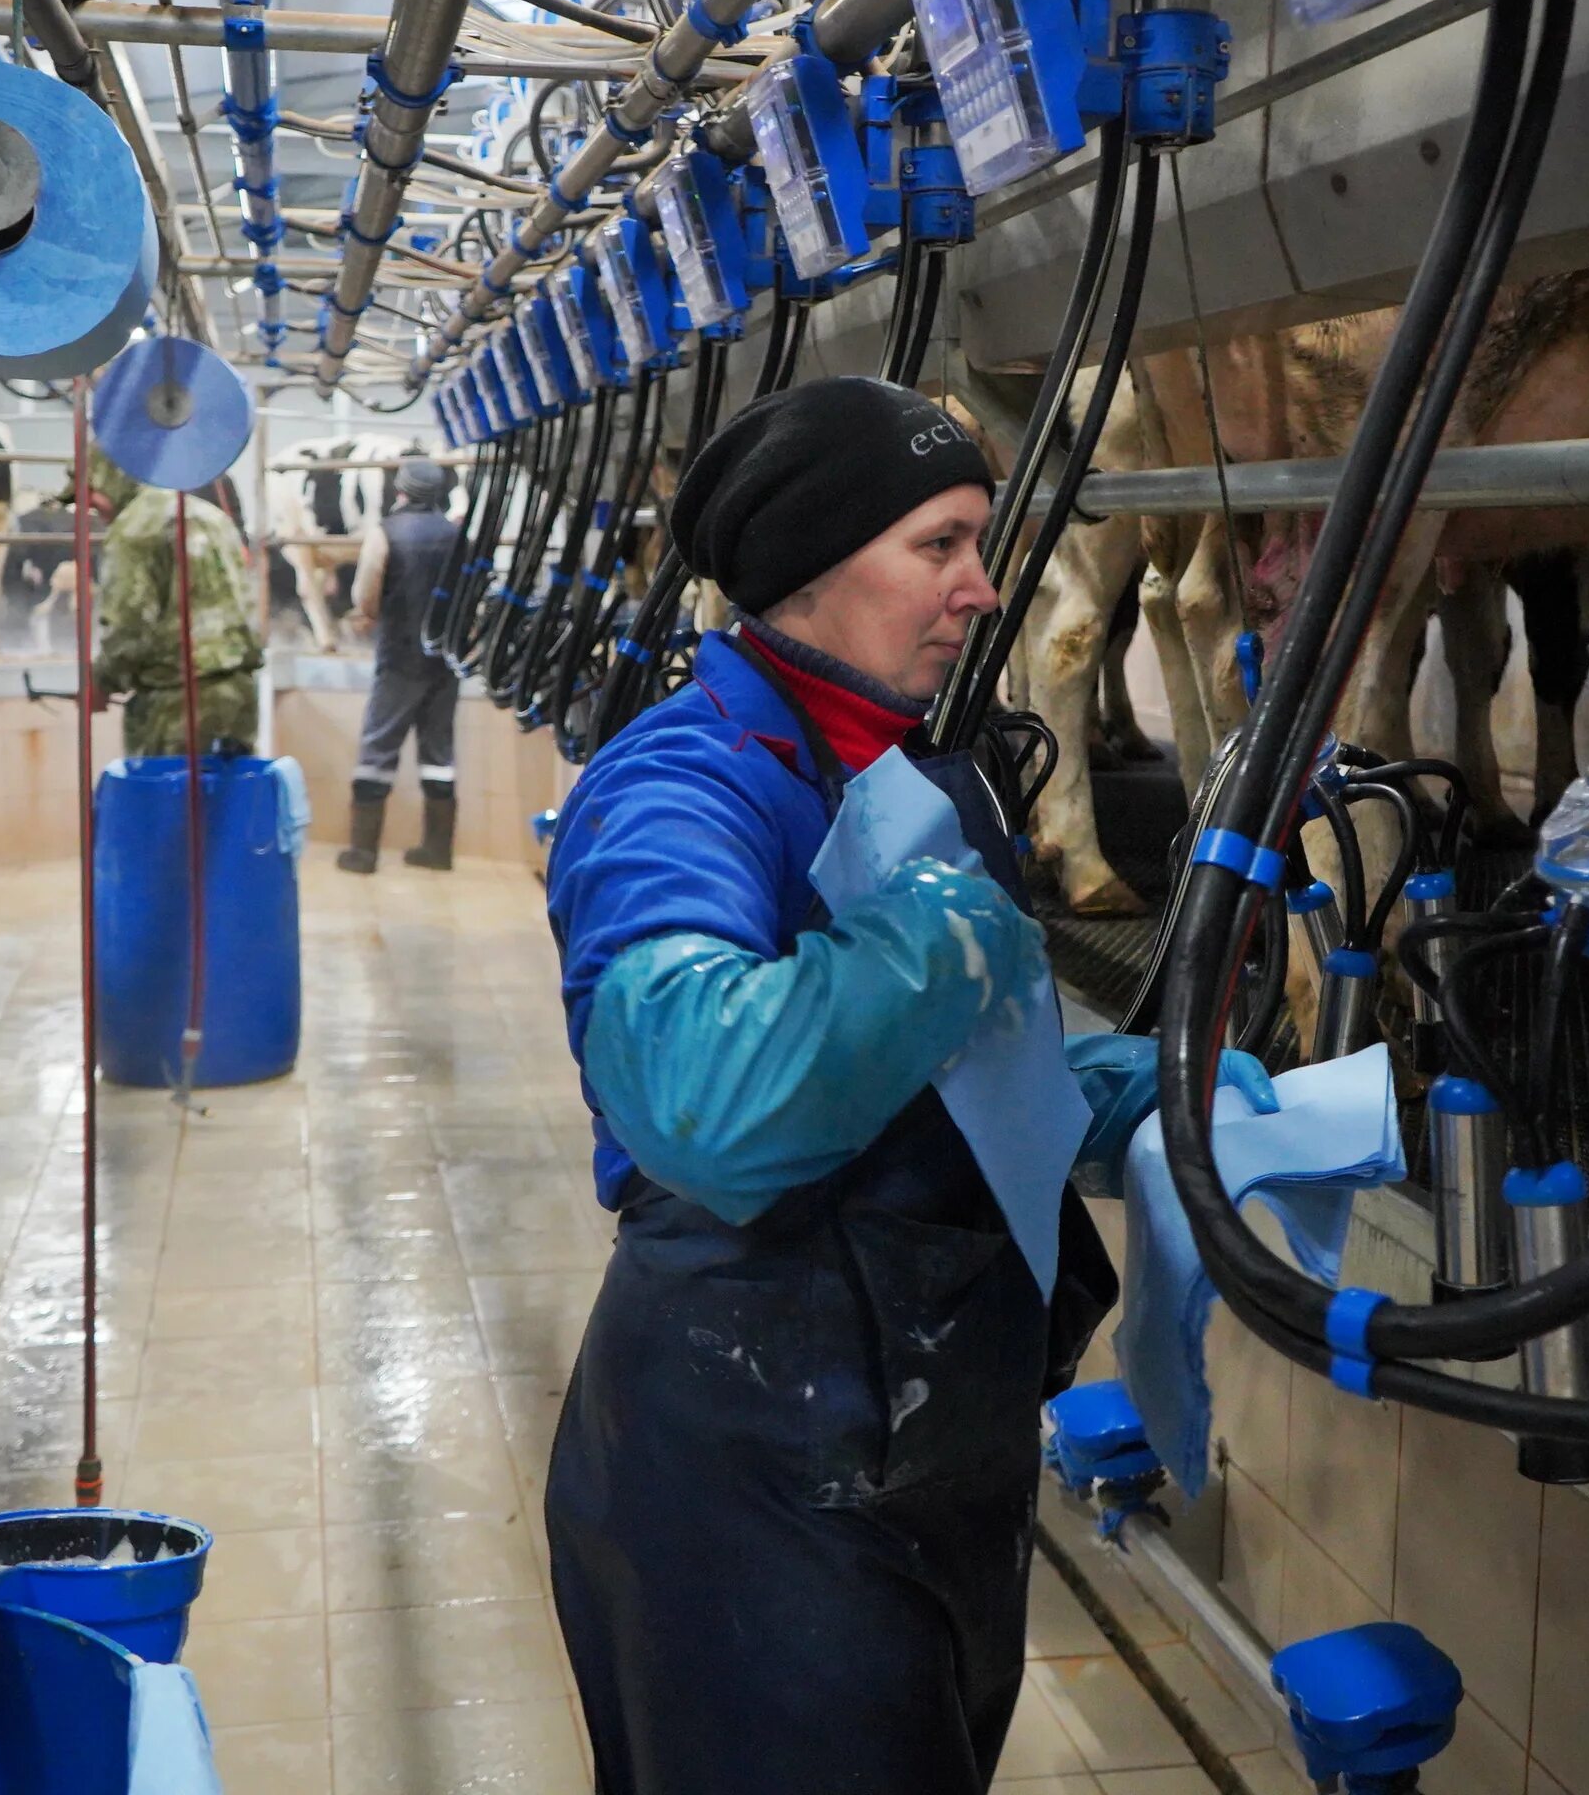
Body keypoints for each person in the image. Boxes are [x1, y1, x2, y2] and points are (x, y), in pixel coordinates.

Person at [540, 376, 1277, 1795]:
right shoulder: (681, 786)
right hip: (756, 1468)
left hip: (933, 1448)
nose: (981, 587)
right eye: (939, 544)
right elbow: (698, 1095)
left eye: (977, 543)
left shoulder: (916, 760)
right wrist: (935, 941)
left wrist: (1145, 1095)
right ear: (813, 565)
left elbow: (943, 1084)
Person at [89, 454, 264, 758]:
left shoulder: (135, 528)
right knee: (228, 786)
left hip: (176, 700)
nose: (91, 506)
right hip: (239, 693)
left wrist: (102, 683)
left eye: (91, 493)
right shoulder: (212, 516)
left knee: (170, 787)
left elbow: (129, 626)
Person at [340, 457, 460, 872]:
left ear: (401, 491)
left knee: (378, 748)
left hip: (399, 657)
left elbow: (365, 596)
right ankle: (437, 850)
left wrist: (373, 615)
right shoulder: (456, 534)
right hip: (444, 660)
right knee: (439, 753)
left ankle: (363, 853)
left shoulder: (386, 533)